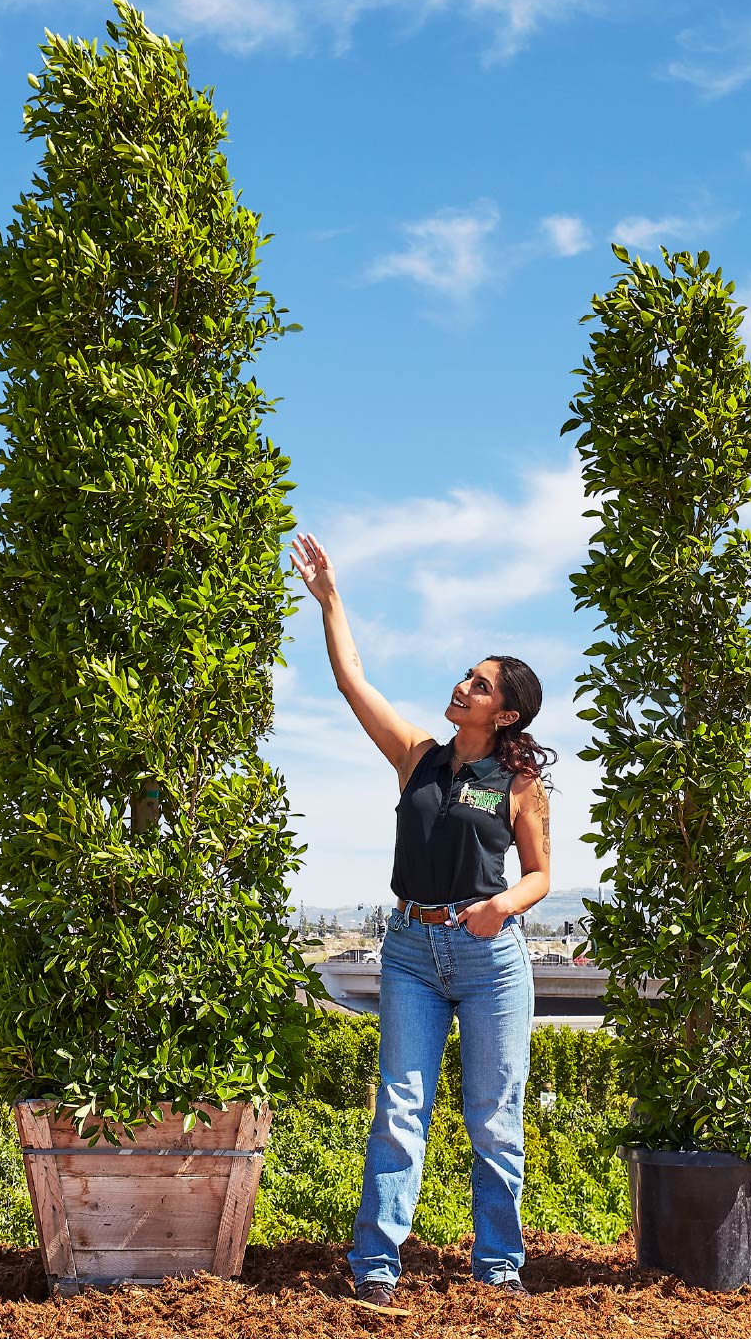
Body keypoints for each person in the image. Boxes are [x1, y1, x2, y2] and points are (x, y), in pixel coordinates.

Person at [290, 530, 552, 1308]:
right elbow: (351, 681)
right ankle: (374, 1264)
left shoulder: (519, 782)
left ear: (503, 712)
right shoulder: (417, 756)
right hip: (407, 950)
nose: (461, 686)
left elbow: (539, 876)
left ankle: (497, 1266)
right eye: (464, 676)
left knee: (493, 1120)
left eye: (477, 684)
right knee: (400, 1112)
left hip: (489, 959)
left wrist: (500, 905)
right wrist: (330, 600)